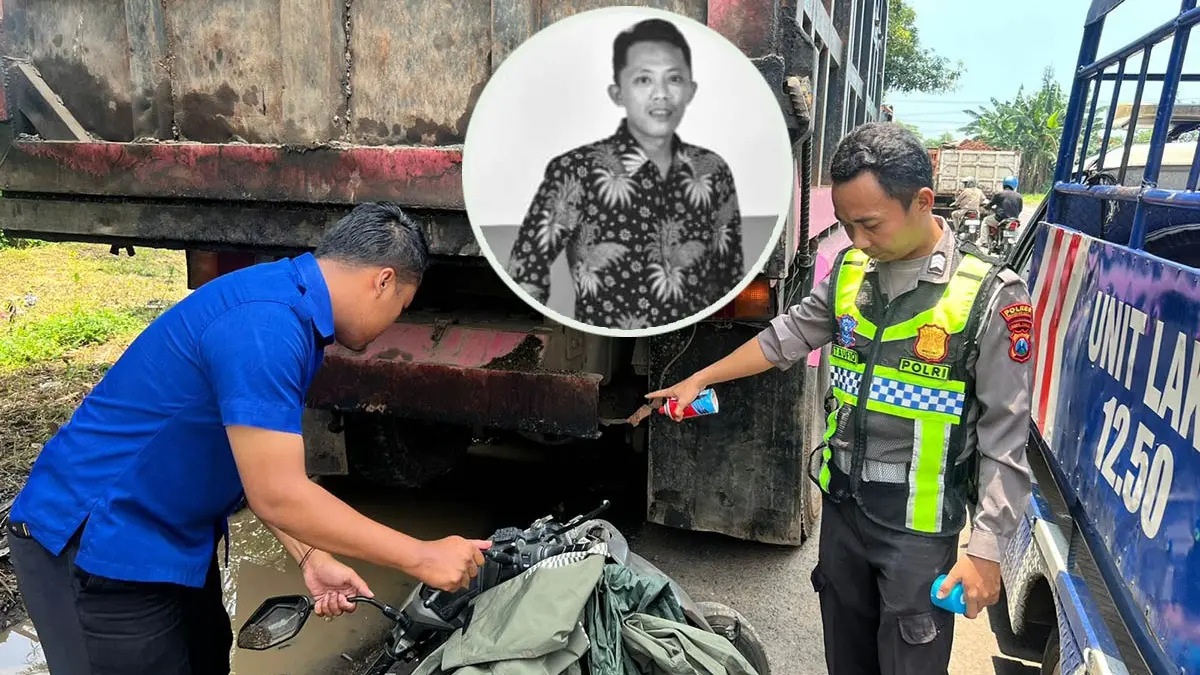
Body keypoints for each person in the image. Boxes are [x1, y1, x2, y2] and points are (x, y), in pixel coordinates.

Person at [6, 202, 493, 675]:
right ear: (383, 281)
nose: (391, 325)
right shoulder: (268, 325)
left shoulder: (290, 310)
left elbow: (258, 467)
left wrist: (310, 555)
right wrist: (421, 555)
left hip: (168, 539)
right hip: (96, 542)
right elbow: (279, 495)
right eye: (401, 307)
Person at [648, 123, 1034, 675]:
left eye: (870, 224)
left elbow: (1005, 436)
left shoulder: (990, 296)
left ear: (923, 202)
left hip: (917, 534)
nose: (857, 240)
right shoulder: (853, 272)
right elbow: (785, 337)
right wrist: (702, 378)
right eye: (847, 224)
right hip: (844, 513)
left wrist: (987, 552)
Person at [505, 17, 744, 330]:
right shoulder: (576, 171)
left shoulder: (713, 172)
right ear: (617, 93)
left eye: (673, 79)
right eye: (643, 80)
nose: (660, 94)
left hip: (692, 343)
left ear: (690, 90)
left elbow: (728, 276)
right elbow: (526, 271)